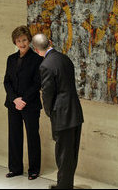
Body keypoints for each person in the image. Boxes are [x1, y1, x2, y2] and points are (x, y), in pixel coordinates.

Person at [32, 33, 84, 189]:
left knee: (63, 154)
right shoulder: (64, 58)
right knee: (71, 153)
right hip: (75, 111)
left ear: (35, 49)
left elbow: (47, 93)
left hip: (62, 114)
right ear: (50, 42)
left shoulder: (45, 65)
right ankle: (65, 184)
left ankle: (63, 187)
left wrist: (49, 111)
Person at [3, 25, 43, 180]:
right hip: (13, 103)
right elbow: (7, 82)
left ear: (29, 40)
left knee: (33, 137)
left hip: (30, 104)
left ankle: (34, 169)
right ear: (15, 42)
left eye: (24, 40)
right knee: (14, 136)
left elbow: (37, 83)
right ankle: (15, 168)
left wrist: (23, 100)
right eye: (18, 41)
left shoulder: (37, 59)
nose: (22, 43)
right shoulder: (11, 59)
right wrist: (14, 99)